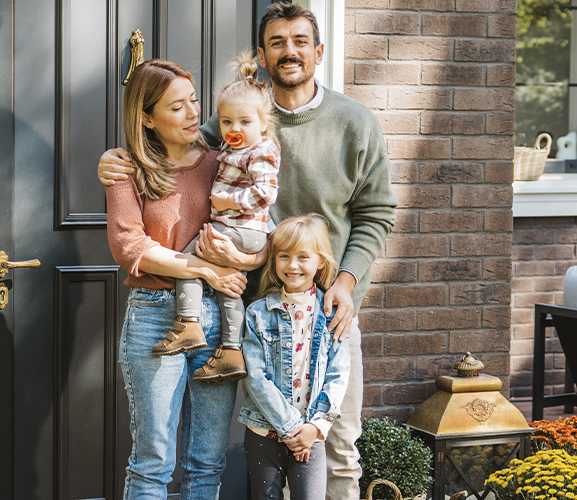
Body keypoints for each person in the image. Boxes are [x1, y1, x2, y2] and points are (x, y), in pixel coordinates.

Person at [100, 4, 396, 498]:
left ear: (319, 51)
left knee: (337, 446)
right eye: (277, 42)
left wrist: (346, 281)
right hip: (255, 312)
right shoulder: (227, 126)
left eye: (300, 41)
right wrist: (115, 159)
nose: (289, 51)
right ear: (261, 55)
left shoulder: (355, 123)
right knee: (263, 449)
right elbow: (169, 152)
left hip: (328, 306)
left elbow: (377, 213)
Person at [106, 58, 248, 500]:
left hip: (220, 320)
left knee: (207, 460)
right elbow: (130, 247)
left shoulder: (222, 164)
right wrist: (204, 268)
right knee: (153, 463)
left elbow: (257, 224)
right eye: (176, 107)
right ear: (146, 117)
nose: (192, 115)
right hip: (154, 318)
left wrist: (243, 257)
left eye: (194, 102)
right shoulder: (126, 170)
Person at [154, 53, 281, 387]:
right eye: (226, 122)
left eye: (243, 122)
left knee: (188, 257)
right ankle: (230, 349)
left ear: (263, 123)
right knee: (228, 287)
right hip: (241, 231)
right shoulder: (232, 147)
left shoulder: (261, 150)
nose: (234, 129)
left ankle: (189, 322)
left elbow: (266, 193)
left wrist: (229, 200)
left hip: (242, 230)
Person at [238, 215, 351, 500]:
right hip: (264, 433)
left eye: (303, 257)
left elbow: (337, 376)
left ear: (320, 261)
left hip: (310, 436)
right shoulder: (257, 313)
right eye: (284, 256)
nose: (292, 265)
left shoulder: (331, 315)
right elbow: (255, 377)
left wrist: (314, 428)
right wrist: (291, 428)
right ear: (274, 259)